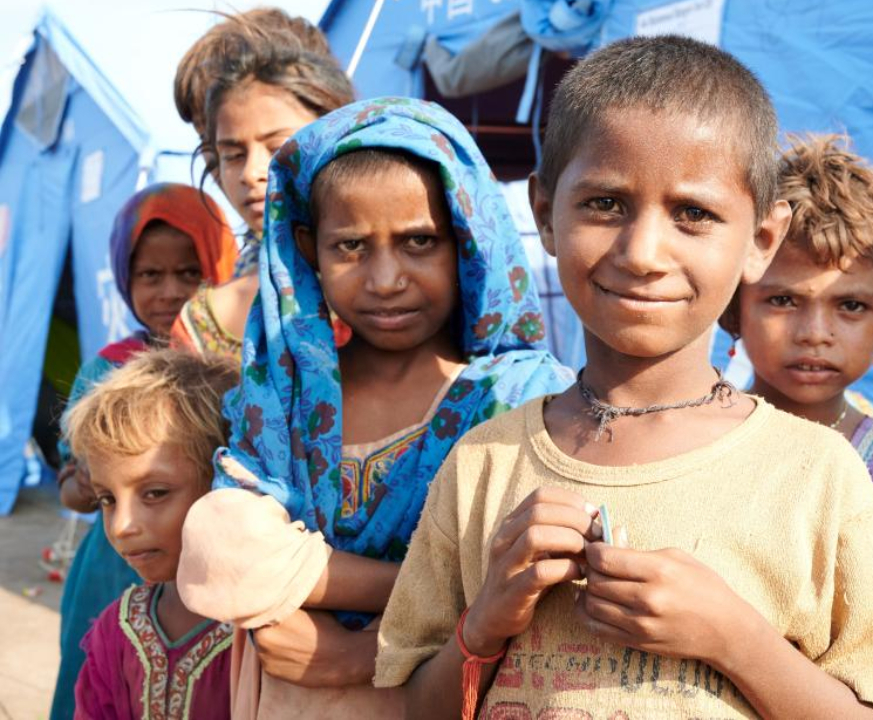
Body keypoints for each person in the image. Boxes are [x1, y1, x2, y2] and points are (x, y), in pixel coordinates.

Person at [375, 35, 873, 719]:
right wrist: (484, 622)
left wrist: (735, 639)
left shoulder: (818, 474)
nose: (642, 254)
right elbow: (413, 707)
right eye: (605, 204)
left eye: (693, 214)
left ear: (761, 240)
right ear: (543, 212)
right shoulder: (485, 462)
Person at [176, 97, 572, 717]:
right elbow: (221, 551)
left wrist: (356, 651)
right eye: (351, 246)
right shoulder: (288, 400)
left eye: (419, 242)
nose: (386, 278)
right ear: (307, 249)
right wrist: (436, 587)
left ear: (467, 241)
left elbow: (539, 586)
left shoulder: (518, 398)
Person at [721, 134, 873, 611]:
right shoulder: (699, 437)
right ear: (735, 306)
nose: (815, 333)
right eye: (782, 300)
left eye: (851, 306)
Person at [50, 183, 236, 720]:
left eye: (189, 273)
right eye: (150, 276)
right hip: (107, 574)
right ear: (125, 279)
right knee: (98, 681)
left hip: (203, 578)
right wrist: (91, 488)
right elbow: (71, 480)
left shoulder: (230, 377)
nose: (169, 292)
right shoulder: (104, 369)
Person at [65, 349, 239, 720]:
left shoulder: (265, 637)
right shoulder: (116, 629)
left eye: (155, 493)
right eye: (107, 498)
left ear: (224, 483)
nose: (122, 525)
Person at [170, 13, 354, 358]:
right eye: (227, 150)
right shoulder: (215, 304)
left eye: (274, 144)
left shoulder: (378, 272)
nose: (248, 172)